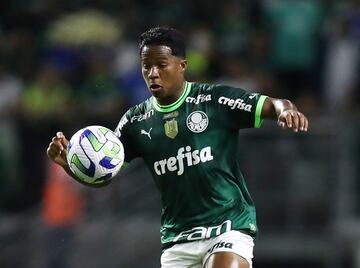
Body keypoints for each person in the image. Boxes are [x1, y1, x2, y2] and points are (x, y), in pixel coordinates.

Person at [47, 26, 309, 268]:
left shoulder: (213, 100)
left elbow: (273, 104)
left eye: (161, 65)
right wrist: (70, 166)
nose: (153, 73)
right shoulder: (134, 122)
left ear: (182, 65)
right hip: (178, 238)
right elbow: (105, 176)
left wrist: (286, 111)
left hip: (228, 225)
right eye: (146, 67)